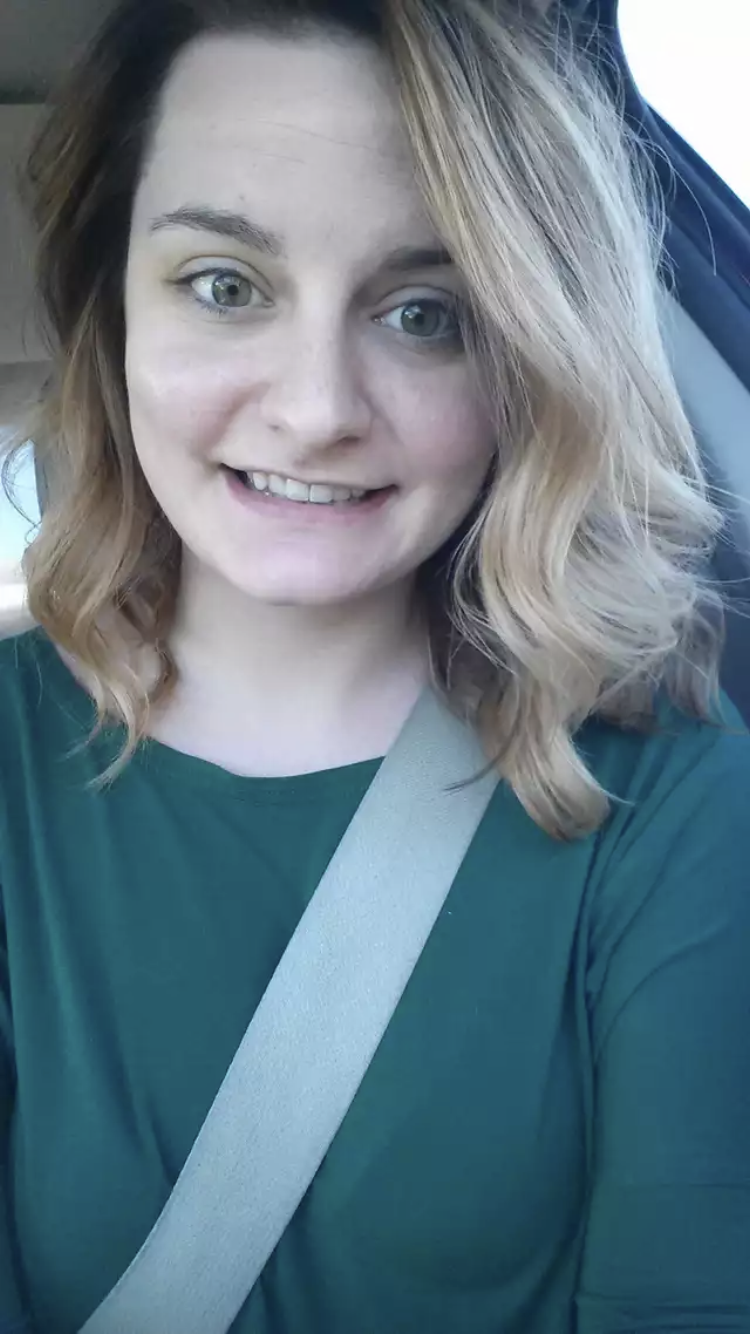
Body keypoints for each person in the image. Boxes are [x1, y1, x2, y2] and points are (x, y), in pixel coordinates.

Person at [1, 0, 749, 1329]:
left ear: (524, 357)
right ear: (112, 312)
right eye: (224, 285)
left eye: (423, 313)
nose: (316, 410)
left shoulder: (666, 792)